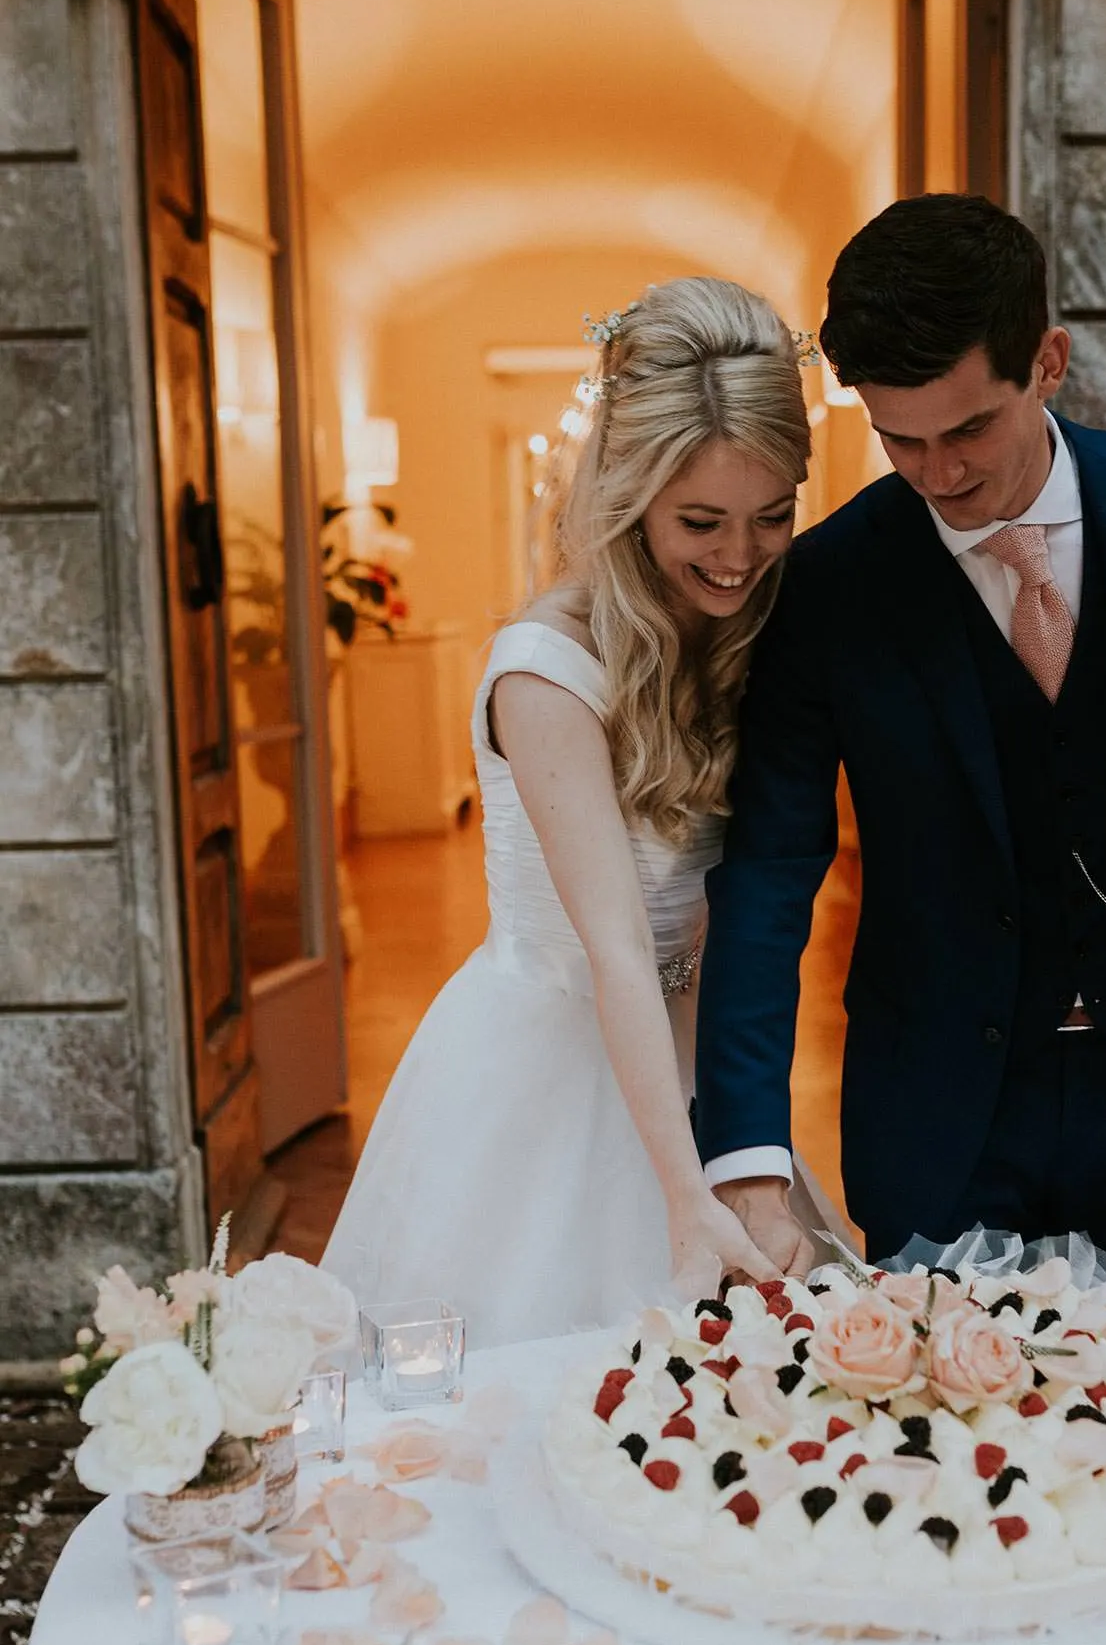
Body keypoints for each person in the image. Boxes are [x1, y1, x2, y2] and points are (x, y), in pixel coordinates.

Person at [696, 196, 1106, 1318]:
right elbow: (765, 869)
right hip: (936, 1112)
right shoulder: (830, 585)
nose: (936, 475)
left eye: (967, 431)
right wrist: (746, 1145)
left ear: (1048, 361)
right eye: (900, 439)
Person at [322, 277, 814, 1347]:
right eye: (700, 522)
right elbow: (616, 953)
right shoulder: (545, 668)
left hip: (698, 1055)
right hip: (547, 1066)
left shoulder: (749, 622)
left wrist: (743, 1150)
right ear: (629, 494)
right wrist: (685, 1194)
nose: (740, 555)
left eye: (772, 516)